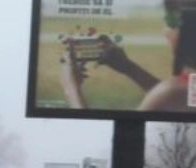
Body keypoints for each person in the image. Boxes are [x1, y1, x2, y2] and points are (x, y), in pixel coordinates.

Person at [61, 1, 196, 112]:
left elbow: (94, 136)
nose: (164, 31)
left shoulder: (173, 90)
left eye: (170, 21)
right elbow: (179, 99)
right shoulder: (183, 87)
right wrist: (128, 67)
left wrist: (71, 89)